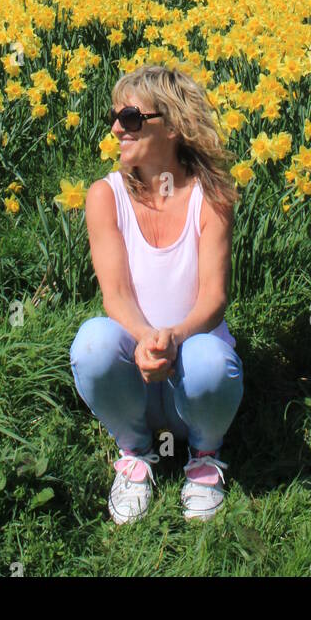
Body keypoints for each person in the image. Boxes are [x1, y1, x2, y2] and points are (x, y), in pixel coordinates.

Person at [69, 64, 243, 524]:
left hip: (194, 376)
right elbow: (116, 295)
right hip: (138, 381)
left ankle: (204, 458)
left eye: (129, 119)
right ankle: (136, 452)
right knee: (92, 343)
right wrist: (147, 339)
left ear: (173, 126)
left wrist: (173, 338)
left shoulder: (213, 198)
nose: (115, 128)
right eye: (114, 117)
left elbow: (213, 297)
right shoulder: (104, 196)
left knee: (208, 356)